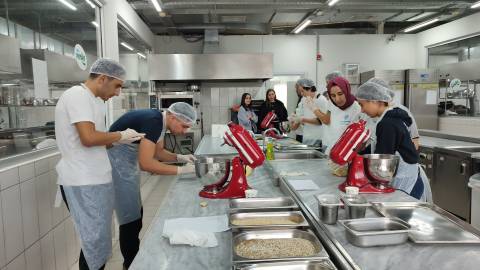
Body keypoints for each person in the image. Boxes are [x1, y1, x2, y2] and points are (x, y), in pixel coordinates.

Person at [55, 58, 145, 270]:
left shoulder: (93, 101)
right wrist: (119, 135)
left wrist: (123, 141)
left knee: (100, 241)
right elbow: (88, 138)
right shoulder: (77, 95)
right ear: (103, 79)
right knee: (94, 243)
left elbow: (98, 142)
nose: (117, 93)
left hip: (96, 179)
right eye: (117, 86)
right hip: (82, 180)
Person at [107, 102, 197, 269]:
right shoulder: (154, 121)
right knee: (130, 220)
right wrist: (182, 171)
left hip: (126, 165)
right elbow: (146, 164)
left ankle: (133, 261)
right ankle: (131, 265)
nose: (185, 131)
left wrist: (181, 157)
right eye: (184, 126)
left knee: (136, 215)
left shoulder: (159, 121)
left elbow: (158, 152)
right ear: (172, 116)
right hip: (116, 165)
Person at [355, 81, 431, 201]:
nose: (362, 110)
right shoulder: (388, 118)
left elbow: (382, 160)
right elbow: (378, 146)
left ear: (374, 101)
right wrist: (358, 154)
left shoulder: (387, 123)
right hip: (404, 177)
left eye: (362, 105)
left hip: (407, 183)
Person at [367, 77, 420, 150]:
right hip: (373, 158)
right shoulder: (366, 112)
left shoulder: (402, 112)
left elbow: (414, 139)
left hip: (395, 160)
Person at [322, 76, 361, 153]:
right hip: (331, 150)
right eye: (333, 95)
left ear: (346, 91)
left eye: (340, 94)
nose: (337, 99)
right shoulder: (331, 104)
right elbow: (327, 121)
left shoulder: (357, 107)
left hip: (348, 153)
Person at [292, 79, 329, 146]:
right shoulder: (304, 99)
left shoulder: (321, 100)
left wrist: (302, 119)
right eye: (301, 92)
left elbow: (321, 121)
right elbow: (302, 114)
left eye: (303, 91)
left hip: (318, 138)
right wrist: (295, 118)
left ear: (310, 89)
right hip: (307, 136)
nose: (302, 94)